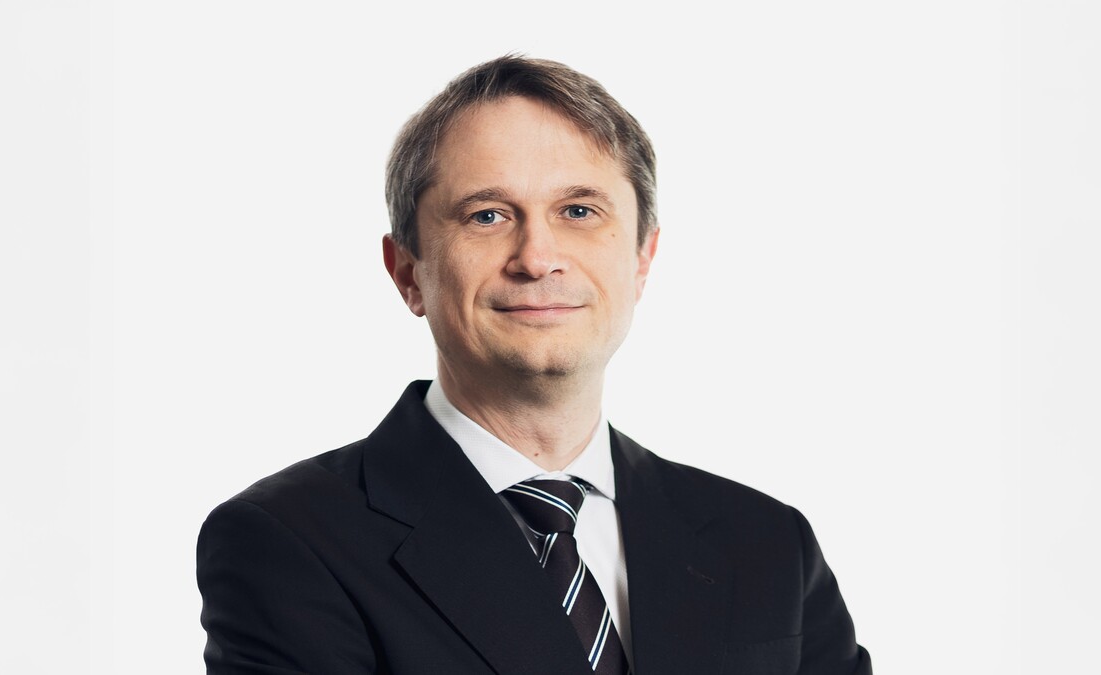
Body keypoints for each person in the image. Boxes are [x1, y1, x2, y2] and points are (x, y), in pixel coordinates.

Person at [197, 55, 872, 675]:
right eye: (487, 215)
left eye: (579, 210)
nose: (538, 258)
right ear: (406, 271)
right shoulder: (288, 543)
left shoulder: (768, 544)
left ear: (642, 259)